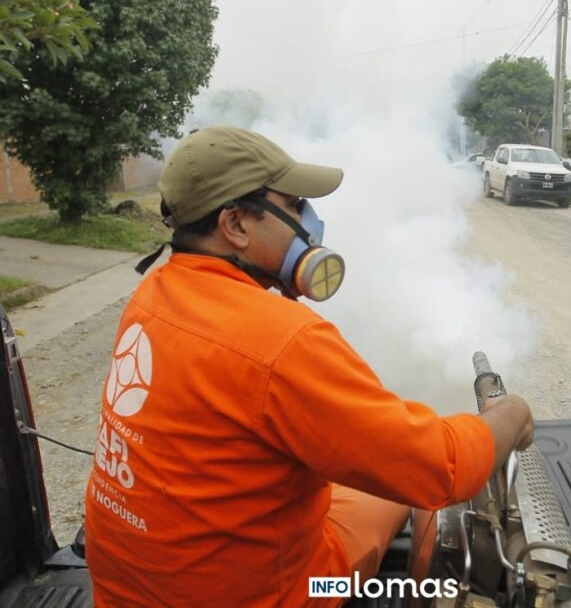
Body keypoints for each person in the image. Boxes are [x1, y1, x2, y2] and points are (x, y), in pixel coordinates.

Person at [84, 126, 534, 607]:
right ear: (235, 224)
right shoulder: (281, 338)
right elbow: (439, 468)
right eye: (295, 206)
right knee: (408, 493)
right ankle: (427, 593)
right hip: (264, 597)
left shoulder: (152, 294)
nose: (310, 222)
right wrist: (511, 417)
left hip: (128, 591)